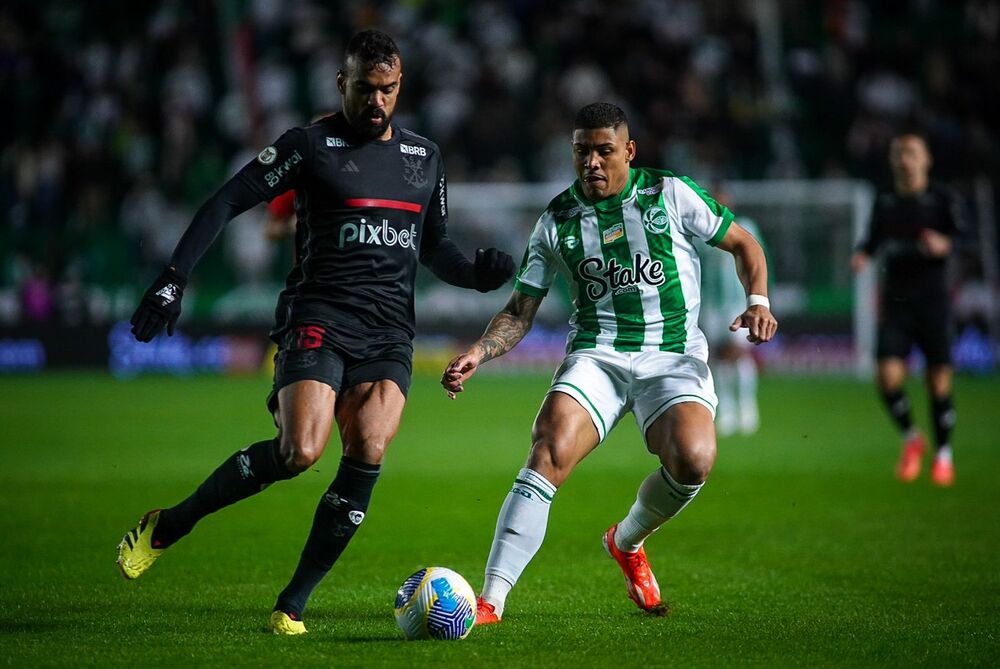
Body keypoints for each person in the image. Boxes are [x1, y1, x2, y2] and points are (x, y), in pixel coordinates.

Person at [117, 29, 515, 635]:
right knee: (299, 451)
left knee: (369, 450)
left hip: (388, 334)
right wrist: (174, 277)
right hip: (318, 318)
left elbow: (433, 249)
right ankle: (171, 523)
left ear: (399, 86)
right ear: (342, 84)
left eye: (387, 89)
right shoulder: (310, 145)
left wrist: (477, 276)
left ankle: (292, 604)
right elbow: (226, 201)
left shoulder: (423, 158)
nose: (376, 101)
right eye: (364, 89)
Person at [441, 103, 776, 622]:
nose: (592, 162)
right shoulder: (556, 220)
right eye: (581, 151)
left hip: (671, 356)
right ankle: (490, 600)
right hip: (597, 355)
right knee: (548, 449)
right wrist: (479, 352)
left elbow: (743, 244)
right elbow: (519, 310)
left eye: (604, 151)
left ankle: (627, 541)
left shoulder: (670, 193)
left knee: (694, 460)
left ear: (629, 151)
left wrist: (758, 301)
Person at [851, 132, 963, 487]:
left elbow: (967, 238)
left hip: (934, 303)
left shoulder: (942, 199)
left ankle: (943, 456)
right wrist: (863, 254)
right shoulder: (885, 201)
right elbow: (872, 238)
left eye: (912, 152)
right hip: (897, 303)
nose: (905, 159)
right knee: (886, 378)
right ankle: (913, 439)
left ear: (926, 159)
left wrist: (945, 243)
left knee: (938, 383)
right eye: (899, 152)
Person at [697, 194, 765, 437]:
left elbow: (759, 260)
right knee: (718, 357)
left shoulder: (745, 227)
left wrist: (760, 299)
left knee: (740, 354)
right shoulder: (702, 230)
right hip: (712, 304)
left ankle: (747, 408)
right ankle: (726, 409)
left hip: (739, 302)